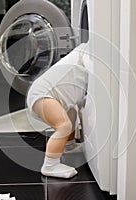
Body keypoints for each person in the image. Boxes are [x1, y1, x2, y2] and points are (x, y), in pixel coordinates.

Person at [26, 42, 89, 179]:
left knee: (71, 114)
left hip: (49, 93)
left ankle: (69, 146)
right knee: (64, 125)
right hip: (43, 94)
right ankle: (50, 165)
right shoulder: (88, 52)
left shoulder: (87, 51)